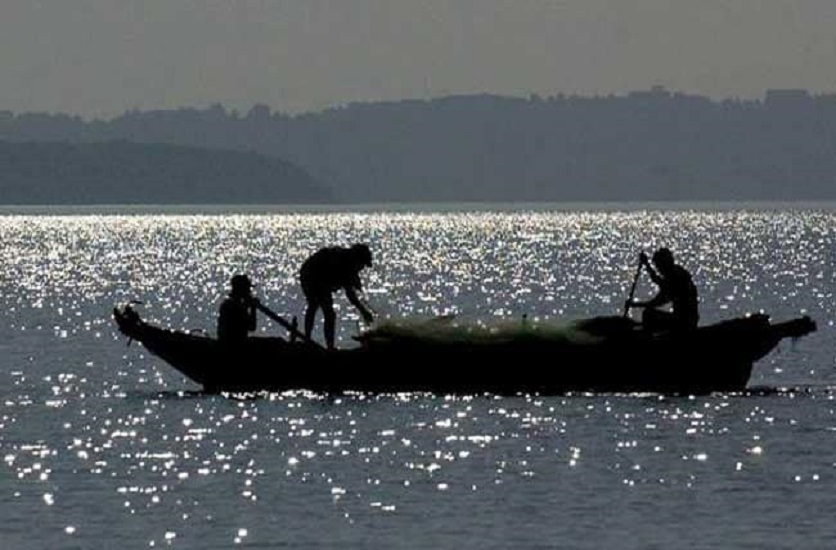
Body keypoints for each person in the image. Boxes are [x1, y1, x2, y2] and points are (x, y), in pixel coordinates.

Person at [300, 243, 375, 349]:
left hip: (320, 276)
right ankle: (324, 345)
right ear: (358, 259)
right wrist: (363, 311)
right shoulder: (344, 264)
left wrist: (355, 281)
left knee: (318, 306)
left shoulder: (349, 262)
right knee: (323, 309)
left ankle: (314, 341)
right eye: (362, 265)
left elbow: (351, 282)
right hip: (312, 275)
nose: (362, 268)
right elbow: (350, 295)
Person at [625, 247, 699, 332]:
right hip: (687, 321)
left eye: (658, 267)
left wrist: (635, 305)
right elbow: (659, 282)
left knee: (648, 314)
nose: (659, 270)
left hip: (684, 323)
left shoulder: (676, 277)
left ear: (664, 264)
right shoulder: (677, 272)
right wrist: (647, 265)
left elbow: (657, 302)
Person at [217, 274, 259, 343]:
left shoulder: (232, 304)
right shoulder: (233, 306)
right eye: (247, 289)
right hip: (234, 344)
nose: (249, 292)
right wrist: (252, 308)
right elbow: (251, 327)